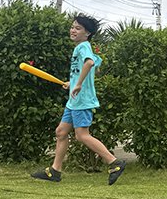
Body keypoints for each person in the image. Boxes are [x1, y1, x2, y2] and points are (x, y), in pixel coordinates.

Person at [31, 15, 126, 185]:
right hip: (74, 101)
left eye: (78, 28)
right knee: (61, 132)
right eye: (72, 27)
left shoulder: (83, 47)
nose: (73, 30)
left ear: (87, 33)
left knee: (82, 135)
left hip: (81, 100)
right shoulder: (82, 48)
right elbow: (91, 67)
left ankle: (114, 163)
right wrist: (73, 82)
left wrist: (79, 84)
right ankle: (55, 171)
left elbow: (89, 63)